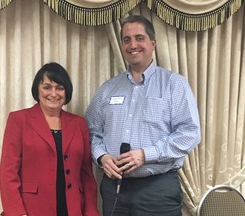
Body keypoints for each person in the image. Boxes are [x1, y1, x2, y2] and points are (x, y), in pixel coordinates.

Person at [85, 15, 201, 216]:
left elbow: (190, 133)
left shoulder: (174, 84)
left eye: (139, 38)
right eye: (126, 39)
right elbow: (90, 131)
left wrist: (146, 155)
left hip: (157, 189)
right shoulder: (108, 88)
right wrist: (101, 156)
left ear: (153, 43)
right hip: (114, 190)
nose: (132, 45)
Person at [0, 62, 100, 216]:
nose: (53, 93)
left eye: (59, 88)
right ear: (37, 90)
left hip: (73, 209)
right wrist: (16, 212)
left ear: (66, 92)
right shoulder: (18, 120)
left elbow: (86, 175)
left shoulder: (79, 124)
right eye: (47, 87)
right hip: (31, 209)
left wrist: (91, 211)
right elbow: (8, 173)